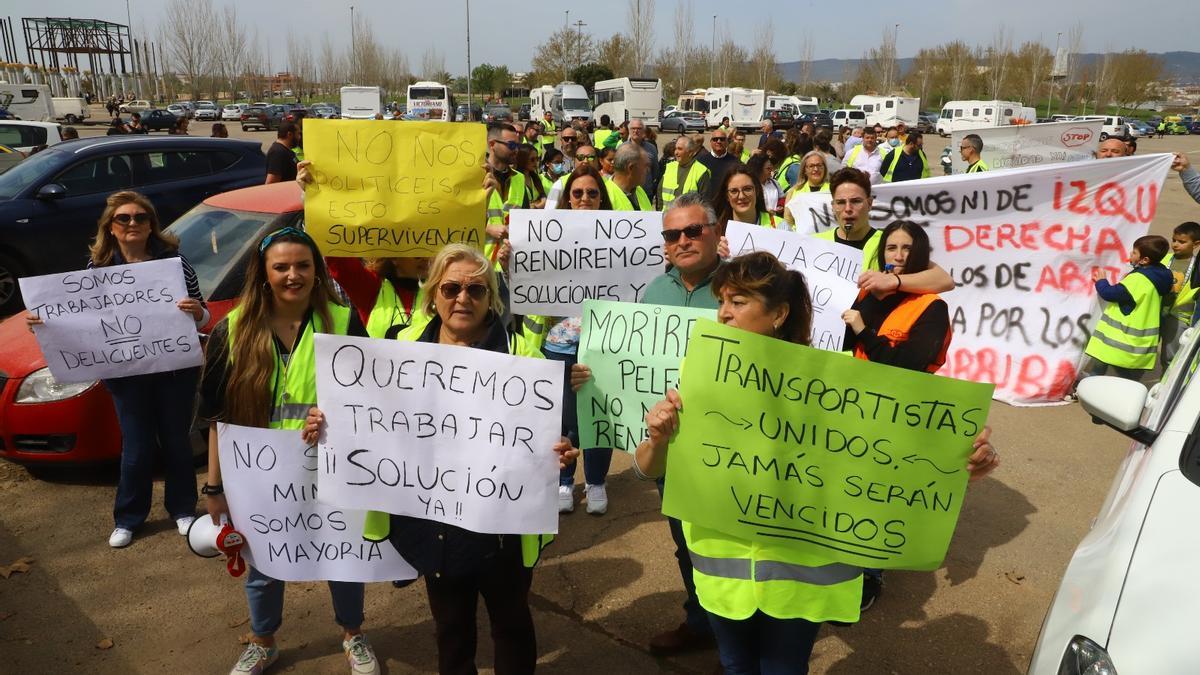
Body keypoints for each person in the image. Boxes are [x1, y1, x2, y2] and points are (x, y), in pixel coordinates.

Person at [633, 250, 999, 674]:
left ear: (779, 313)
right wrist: (659, 438)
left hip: (799, 586)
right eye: (721, 303)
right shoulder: (698, 380)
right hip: (721, 581)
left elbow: (892, 470)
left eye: (738, 302)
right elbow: (648, 469)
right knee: (735, 667)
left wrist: (961, 468)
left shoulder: (837, 388)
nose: (724, 315)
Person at [200, 227, 380, 675]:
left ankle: (353, 633)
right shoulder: (233, 330)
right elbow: (217, 418)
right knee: (263, 559)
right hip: (259, 474)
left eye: (303, 265)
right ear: (263, 274)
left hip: (331, 465)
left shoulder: (343, 321)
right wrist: (215, 485)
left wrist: (335, 420)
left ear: (317, 271)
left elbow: (367, 402)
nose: (293, 275)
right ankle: (263, 641)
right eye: (281, 267)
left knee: (343, 551)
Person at [27, 192, 207, 549]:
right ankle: (128, 517)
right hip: (125, 373)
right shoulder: (96, 271)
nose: (133, 224)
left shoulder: (175, 263)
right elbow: (82, 322)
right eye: (123, 219)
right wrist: (43, 323)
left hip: (173, 369)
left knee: (176, 440)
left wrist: (196, 312)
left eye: (141, 217)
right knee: (136, 446)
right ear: (110, 227)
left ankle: (183, 508)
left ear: (152, 224)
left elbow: (204, 315)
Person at [548, 164, 616, 514]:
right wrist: (516, 261)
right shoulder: (548, 237)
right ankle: (564, 482)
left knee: (598, 415)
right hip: (559, 343)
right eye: (578, 193)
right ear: (567, 199)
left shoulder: (621, 237)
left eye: (592, 193)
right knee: (564, 418)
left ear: (601, 198)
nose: (585, 199)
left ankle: (597, 481)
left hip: (603, 343)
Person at [818, 168, 956, 296]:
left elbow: (945, 281)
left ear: (870, 203)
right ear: (833, 206)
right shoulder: (815, 243)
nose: (848, 208)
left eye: (856, 201)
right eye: (841, 202)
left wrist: (893, 281)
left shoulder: (889, 243)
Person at [1079, 235, 1172, 383]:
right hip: (1141, 344)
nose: (1130, 254)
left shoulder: (1138, 280)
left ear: (1145, 260)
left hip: (1121, 338)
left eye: (1134, 252)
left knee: (1107, 364)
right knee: (1129, 374)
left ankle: (1090, 385)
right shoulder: (1163, 274)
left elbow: (1110, 294)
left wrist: (1101, 281)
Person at [482, 123, 529, 265]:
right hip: (481, 265)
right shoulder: (475, 176)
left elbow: (527, 220)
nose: (516, 150)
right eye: (512, 146)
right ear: (492, 144)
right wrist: (487, 228)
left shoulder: (519, 178)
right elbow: (459, 220)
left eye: (518, 146)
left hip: (511, 265)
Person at [1161, 221, 1200, 363]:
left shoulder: (1197, 267)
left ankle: (1166, 381)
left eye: (1182, 242)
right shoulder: (1163, 259)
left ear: (1195, 244)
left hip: (1178, 317)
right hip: (1156, 312)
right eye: (1174, 240)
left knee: (1170, 357)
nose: (1175, 244)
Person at [714, 165, 779, 232]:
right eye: (734, 191)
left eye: (747, 189)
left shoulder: (779, 226)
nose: (741, 196)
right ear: (727, 195)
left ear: (757, 190)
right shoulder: (716, 232)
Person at [659, 134, 711, 210]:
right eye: (675, 149)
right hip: (668, 217)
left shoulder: (701, 171)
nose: (676, 152)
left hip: (689, 219)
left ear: (690, 152)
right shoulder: (670, 167)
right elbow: (660, 192)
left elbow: (705, 202)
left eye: (680, 149)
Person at [782, 151, 832, 228]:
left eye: (819, 165)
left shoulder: (833, 190)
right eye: (811, 166)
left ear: (824, 168)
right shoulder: (794, 192)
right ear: (804, 170)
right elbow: (788, 221)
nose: (816, 169)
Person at [606, 143, 653, 210]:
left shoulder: (639, 191)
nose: (648, 170)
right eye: (645, 166)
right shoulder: (606, 196)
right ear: (631, 168)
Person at [699, 127, 740, 203]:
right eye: (715, 139)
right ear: (710, 142)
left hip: (727, 204)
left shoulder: (735, 162)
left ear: (727, 142)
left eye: (722, 139)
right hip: (706, 205)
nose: (718, 141)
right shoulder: (700, 161)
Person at [625, 118, 660, 197]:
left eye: (639, 129)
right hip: (626, 193)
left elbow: (655, 170)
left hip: (646, 193)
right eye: (633, 128)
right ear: (629, 130)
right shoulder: (621, 148)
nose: (636, 131)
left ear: (643, 131)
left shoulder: (651, 148)